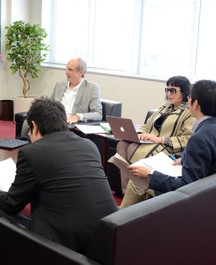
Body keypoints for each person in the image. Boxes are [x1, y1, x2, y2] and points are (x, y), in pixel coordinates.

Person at [0, 97, 118, 265]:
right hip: (104, 240)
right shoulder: (89, 145)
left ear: (34, 126)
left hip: (64, 246)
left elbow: (12, 204)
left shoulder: (32, 153)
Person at [124, 79, 216, 203]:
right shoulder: (210, 128)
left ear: (196, 104)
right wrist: (185, 159)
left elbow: (186, 186)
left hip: (190, 198)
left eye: (190, 97)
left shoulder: (199, 137)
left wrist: (150, 174)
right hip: (208, 191)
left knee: (137, 182)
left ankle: (118, 220)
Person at [116, 76, 196, 208]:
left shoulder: (188, 112)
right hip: (150, 143)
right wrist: (140, 134)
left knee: (134, 151)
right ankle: (127, 194)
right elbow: (146, 125)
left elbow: (187, 138)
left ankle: (135, 195)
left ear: (184, 92)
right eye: (167, 90)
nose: (169, 94)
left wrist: (161, 139)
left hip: (167, 147)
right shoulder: (165, 107)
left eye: (173, 90)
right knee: (122, 145)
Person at [20, 57, 102, 136]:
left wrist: (78, 116)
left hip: (66, 123)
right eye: (67, 69)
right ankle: (24, 147)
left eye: (70, 70)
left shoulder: (92, 88)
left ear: (81, 72)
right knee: (27, 123)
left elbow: (98, 114)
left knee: (43, 128)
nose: (66, 72)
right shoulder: (60, 85)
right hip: (53, 117)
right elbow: (49, 104)